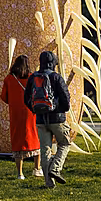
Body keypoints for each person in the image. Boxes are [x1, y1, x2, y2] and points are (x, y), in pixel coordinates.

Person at [24, 49, 72, 187]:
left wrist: (35, 110)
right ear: (54, 63)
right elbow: (65, 98)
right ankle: (55, 168)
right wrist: (61, 109)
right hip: (57, 119)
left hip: (40, 119)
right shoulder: (56, 77)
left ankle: (48, 183)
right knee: (64, 143)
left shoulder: (33, 77)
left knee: (45, 149)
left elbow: (26, 98)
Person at [0, 54, 40, 180]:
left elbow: (3, 97)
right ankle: (37, 169)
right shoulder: (32, 77)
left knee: (17, 141)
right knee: (35, 138)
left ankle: (20, 173)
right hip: (31, 112)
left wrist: (14, 102)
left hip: (15, 113)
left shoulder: (9, 79)